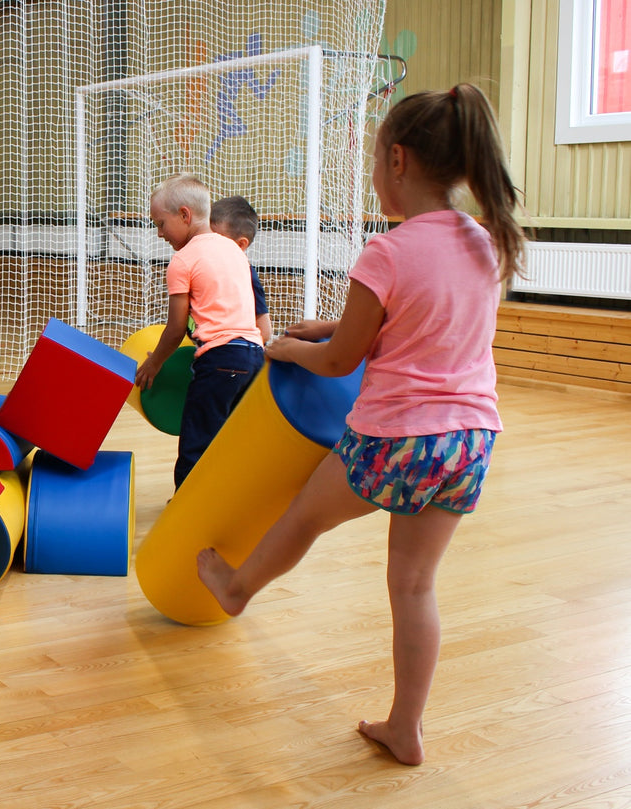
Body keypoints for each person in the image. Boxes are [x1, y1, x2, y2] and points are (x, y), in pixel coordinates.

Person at [195, 84, 525, 766]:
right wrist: (336, 326)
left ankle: (234, 588)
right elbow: (423, 327)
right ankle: (407, 726)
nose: (375, 171)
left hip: (393, 440)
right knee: (415, 587)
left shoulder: (388, 250)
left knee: (301, 518)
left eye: (375, 158)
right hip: (468, 443)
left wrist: (286, 347)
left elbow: (342, 356)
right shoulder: (487, 242)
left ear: (397, 160)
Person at [136, 174, 265, 490]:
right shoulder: (235, 251)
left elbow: (177, 326)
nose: (159, 233)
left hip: (219, 360)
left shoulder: (183, 260)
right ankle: (223, 505)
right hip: (253, 358)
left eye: (161, 223)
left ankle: (184, 515)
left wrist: (155, 363)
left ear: (184, 215)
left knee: (195, 443)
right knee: (229, 440)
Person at [210, 195, 273, 344]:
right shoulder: (204, 270)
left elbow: (265, 331)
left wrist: (235, 348)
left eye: (216, 240)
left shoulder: (246, 275)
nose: (207, 244)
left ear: (240, 245)